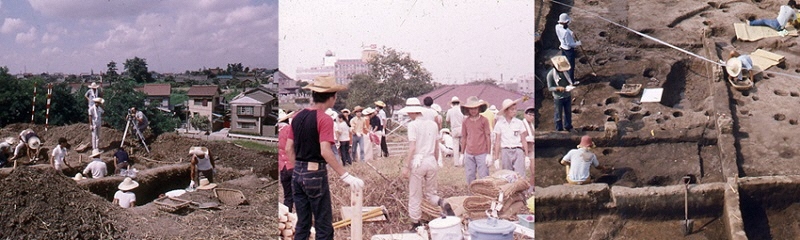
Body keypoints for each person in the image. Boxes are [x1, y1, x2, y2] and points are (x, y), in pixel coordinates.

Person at [286, 75, 364, 239]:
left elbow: (288, 148)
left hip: (297, 173)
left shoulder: (297, 117)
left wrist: (299, 170)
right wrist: (346, 175)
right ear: (332, 97)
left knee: (302, 224)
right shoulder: (325, 119)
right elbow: (325, 151)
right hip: (315, 174)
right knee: (323, 226)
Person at [398, 98, 446, 231]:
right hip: (431, 160)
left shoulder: (413, 125)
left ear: (411, 112)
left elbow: (412, 147)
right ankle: (442, 202)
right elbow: (436, 147)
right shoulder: (433, 124)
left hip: (419, 161)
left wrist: (406, 166)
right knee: (431, 193)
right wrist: (436, 162)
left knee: (415, 194)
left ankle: (415, 223)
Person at [493, 98, 529, 179]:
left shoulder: (519, 123)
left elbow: (523, 140)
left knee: (520, 176)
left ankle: (522, 191)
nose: (514, 111)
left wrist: (526, 156)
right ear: (506, 111)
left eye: (515, 109)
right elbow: (497, 141)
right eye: (512, 109)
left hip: (517, 150)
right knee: (507, 176)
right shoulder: (499, 124)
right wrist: (496, 158)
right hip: (505, 151)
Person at [460, 96, 491, 186]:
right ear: (467, 109)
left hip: (482, 152)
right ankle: (472, 194)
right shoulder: (465, 121)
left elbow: (487, 136)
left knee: (484, 176)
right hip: (469, 153)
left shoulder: (484, 120)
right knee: (470, 176)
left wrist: (489, 154)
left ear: (479, 108)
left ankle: (484, 195)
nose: (473, 110)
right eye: (471, 108)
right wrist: (462, 154)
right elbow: (464, 137)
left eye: (475, 108)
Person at [547, 55, 575, 131]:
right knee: (558, 114)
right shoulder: (550, 75)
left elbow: (568, 81)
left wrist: (569, 86)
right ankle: (559, 129)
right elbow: (550, 88)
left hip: (567, 95)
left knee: (568, 112)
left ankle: (568, 126)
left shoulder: (565, 73)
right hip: (558, 98)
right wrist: (557, 88)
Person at [555, 13, 582, 81]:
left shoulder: (557, 27)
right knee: (570, 66)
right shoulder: (565, 33)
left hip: (562, 47)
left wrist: (571, 32)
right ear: (566, 22)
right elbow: (569, 43)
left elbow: (565, 28)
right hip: (568, 50)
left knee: (565, 64)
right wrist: (577, 44)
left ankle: (565, 78)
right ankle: (571, 81)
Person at [277, 110, 295, 212]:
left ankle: (286, 217)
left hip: (282, 167)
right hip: (292, 164)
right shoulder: (289, 129)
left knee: (288, 196)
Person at [445, 96, 465, 167]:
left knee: (455, 146)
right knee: (463, 145)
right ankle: (463, 161)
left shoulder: (450, 111)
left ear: (452, 103)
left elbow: (447, 120)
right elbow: (464, 119)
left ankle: (456, 163)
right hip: (462, 128)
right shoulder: (462, 110)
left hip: (454, 129)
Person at [523, 107, 536, 188]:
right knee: (522, 172)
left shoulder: (532, 126)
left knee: (534, 171)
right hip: (523, 150)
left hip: (531, 149)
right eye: (529, 115)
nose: (531, 117)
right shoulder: (522, 124)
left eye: (533, 115)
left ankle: (531, 188)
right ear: (525, 115)